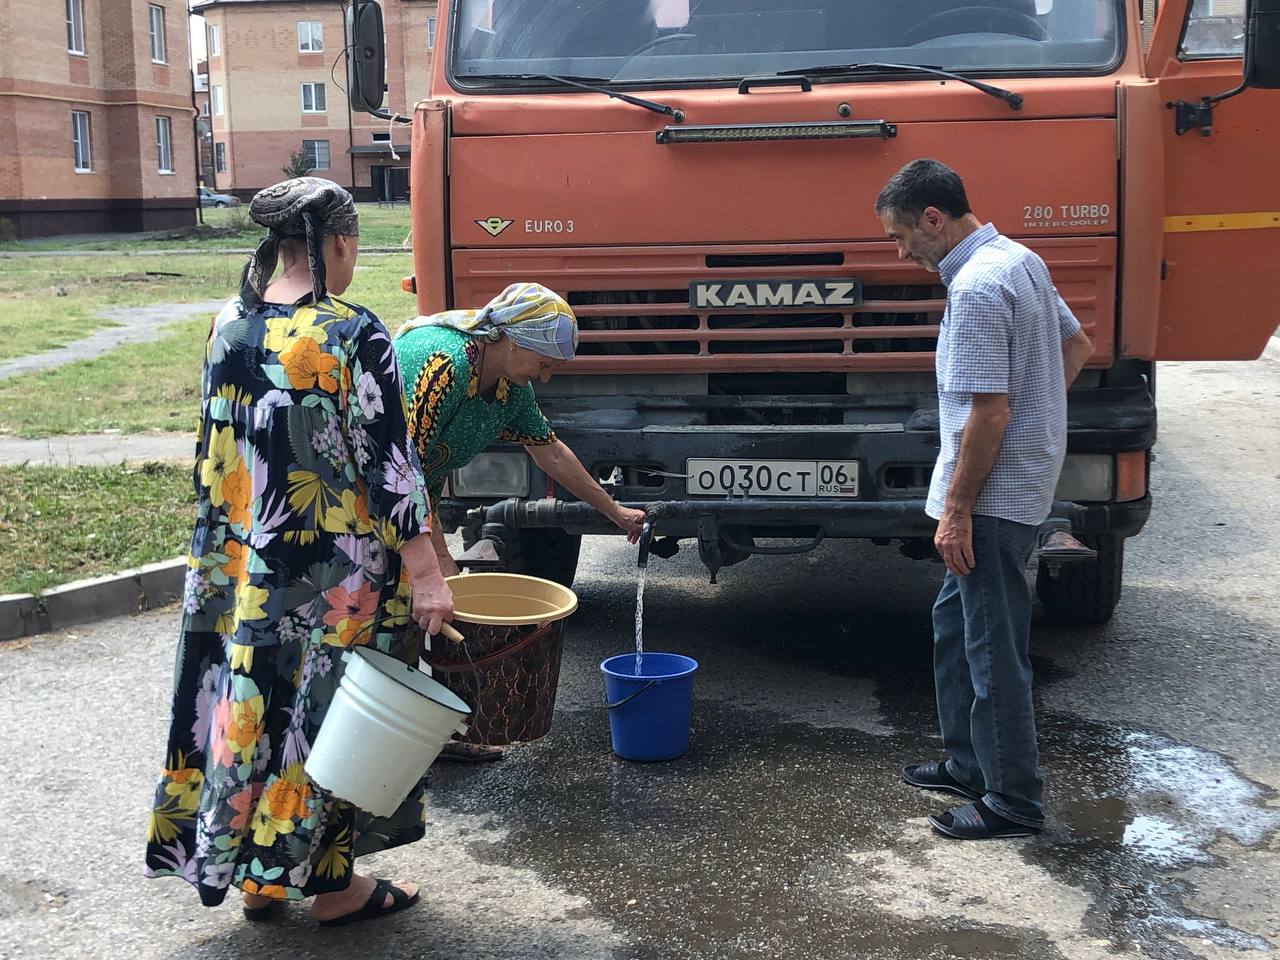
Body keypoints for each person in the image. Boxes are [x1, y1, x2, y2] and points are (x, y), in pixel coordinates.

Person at [145, 178, 454, 925]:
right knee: (328, 720)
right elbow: (389, 464)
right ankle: (332, 889)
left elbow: (216, 451)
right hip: (334, 575)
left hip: (240, 566)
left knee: (249, 705)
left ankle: (255, 877)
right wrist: (428, 573)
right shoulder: (351, 332)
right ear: (340, 243)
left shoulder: (229, 322)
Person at [875, 159, 1093, 840]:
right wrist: (1040, 414)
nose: (900, 251)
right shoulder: (1019, 259)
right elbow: (1078, 344)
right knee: (953, 624)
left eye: (901, 236)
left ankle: (1011, 801)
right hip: (1015, 477)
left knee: (992, 648)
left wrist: (960, 511)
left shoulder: (974, 286)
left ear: (933, 219)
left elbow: (989, 413)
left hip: (993, 495)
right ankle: (967, 762)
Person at [393, 282, 648, 760]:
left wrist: (614, 512)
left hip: (411, 499)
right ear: (512, 339)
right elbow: (404, 470)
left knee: (426, 611)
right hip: (369, 498)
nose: (546, 378)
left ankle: (440, 731)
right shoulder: (442, 366)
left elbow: (549, 450)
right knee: (392, 612)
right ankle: (381, 744)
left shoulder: (510, 386)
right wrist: (439, 557)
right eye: (545, 363)